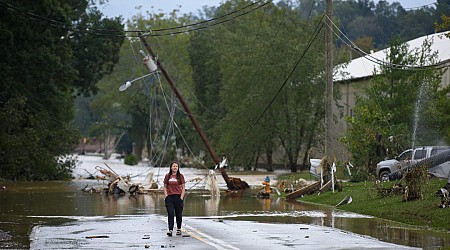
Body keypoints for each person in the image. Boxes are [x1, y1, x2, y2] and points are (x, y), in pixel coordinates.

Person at [163, 161, 186, 236]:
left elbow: (183, 188)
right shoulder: (167, 176)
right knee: (170, 213)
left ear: (178, 168)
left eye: (176, 166)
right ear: (171, 167)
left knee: (178, 214)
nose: (175, 167)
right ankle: (170, 230)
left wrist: (181, 198)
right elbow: (165, 187)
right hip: (170, 197)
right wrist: (166, 196)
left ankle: (179, 229)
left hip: (178, 196)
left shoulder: (180, 176)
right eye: (174, 166)